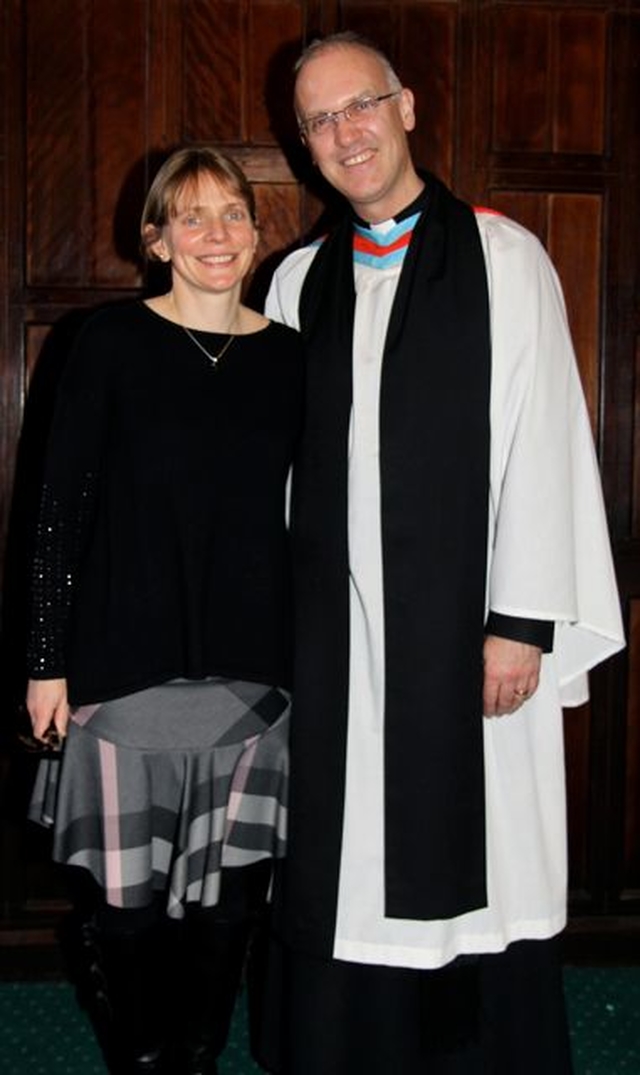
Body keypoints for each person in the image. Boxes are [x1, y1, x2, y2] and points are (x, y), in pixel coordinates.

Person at [253, 32, 625, 1075]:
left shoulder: (504, 259)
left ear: (406, 106)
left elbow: (543, 440)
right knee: (342, 851)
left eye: (358, 106)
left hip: (464, 636)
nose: (343, 133)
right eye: (318, 121)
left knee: (481, 847)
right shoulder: (298, 282)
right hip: (337, 645)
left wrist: (517, 622)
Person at [25, 146, 304, 1074]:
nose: (216, 234)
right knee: (126, 903)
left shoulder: (295, 359)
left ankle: (197, 1052)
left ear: (259, 234)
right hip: (123, 666)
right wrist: (44, 658)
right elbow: (57, 508)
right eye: (191, 216)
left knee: (233, 902)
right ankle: (144, 1058)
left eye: (232, 213)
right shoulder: (107, 342)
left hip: (255, 674)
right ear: (156, 238)